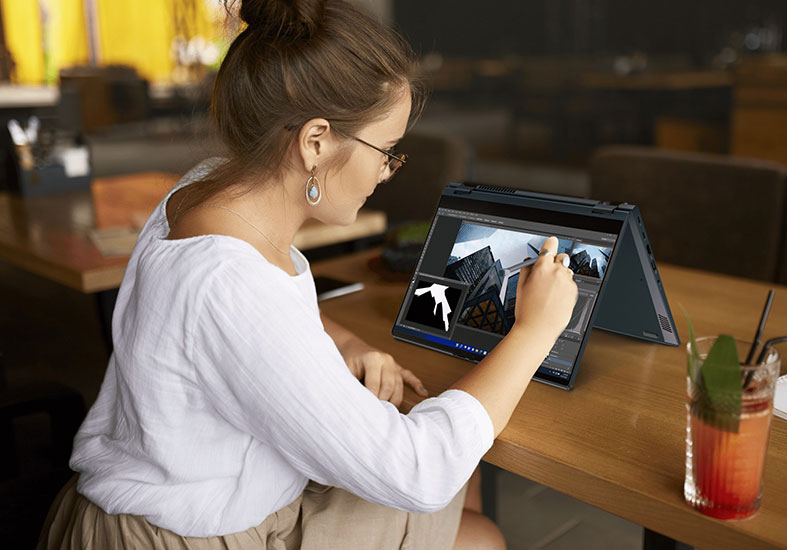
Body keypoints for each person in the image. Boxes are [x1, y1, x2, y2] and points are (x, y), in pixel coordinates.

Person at [37, 1, 578, 548]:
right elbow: (419, 472)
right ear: (315, 141)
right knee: (479, 535)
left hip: (213, 489)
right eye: (387, 150)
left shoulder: (206, 191)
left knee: (469, 477)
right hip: (181, 532)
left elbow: (253, 314)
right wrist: (535, 330)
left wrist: (342, 340)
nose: (387, 172)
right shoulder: (231, 281)